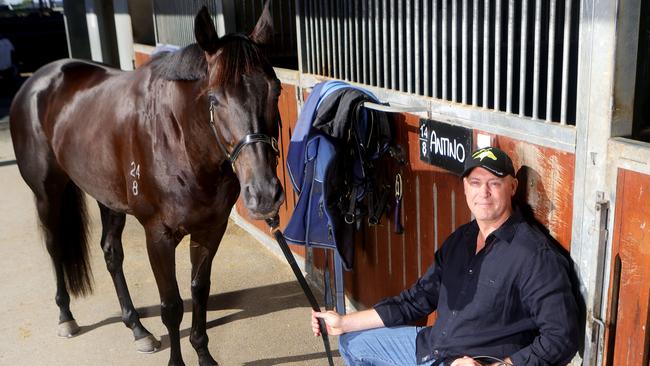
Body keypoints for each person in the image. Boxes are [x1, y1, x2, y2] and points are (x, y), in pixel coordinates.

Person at [312, 146, 579, 366]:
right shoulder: (460, 240)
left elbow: (561, 337)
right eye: (475, 183)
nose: (483, 193)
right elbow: (416, 300)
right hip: (434, 347)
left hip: (479, 361)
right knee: (352, 341)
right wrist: (343, 322)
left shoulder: (534, 255)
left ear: (512, 187)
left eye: (494, 183)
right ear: (464, 187)